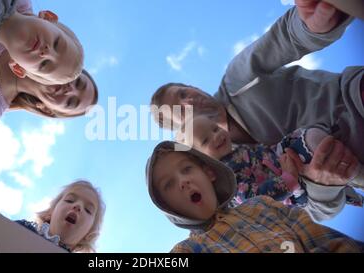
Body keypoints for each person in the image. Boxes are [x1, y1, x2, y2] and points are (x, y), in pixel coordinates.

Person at [150, 0, 364, 161]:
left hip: (355, 100)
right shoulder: (236, 166)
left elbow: (285, 39)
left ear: (193, 87)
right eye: (180, 110)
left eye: (183, 93)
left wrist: (311, 26)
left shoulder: (237, 78)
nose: (189, 102)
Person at [145, 141, 364, 253]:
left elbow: (325, 241)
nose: (183, 181)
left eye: (186, 169)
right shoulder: (186, 251)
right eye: (169, 184)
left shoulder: (263, 205)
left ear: (209, 173)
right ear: (167, 207)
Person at [176, 113, 363, 217]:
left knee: (309, 136)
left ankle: (336, 137)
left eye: (215, 129)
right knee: (318, 150)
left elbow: (262, 154)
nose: (217, 135)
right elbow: (253, 198)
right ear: (202, 160)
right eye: (206, 139)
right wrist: (288, 178)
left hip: (281, 157)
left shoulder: (236, 150)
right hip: (291, 188)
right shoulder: (226, 178)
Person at [0, 180, 105, 253]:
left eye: (88, 210)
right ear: (51, 213)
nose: (77, 206)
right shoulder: (19, 229)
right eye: (70, 200)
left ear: (87, 235)